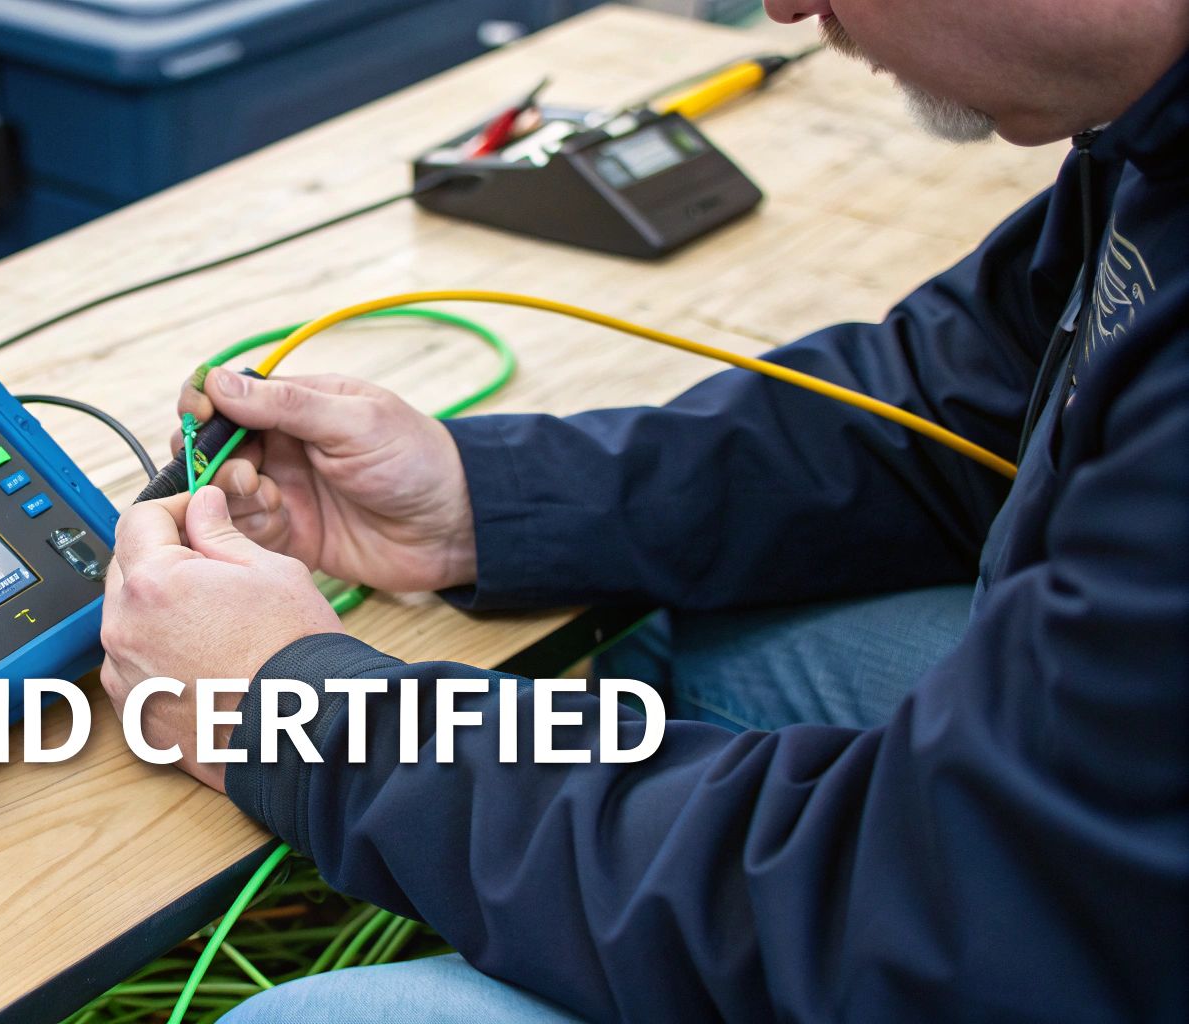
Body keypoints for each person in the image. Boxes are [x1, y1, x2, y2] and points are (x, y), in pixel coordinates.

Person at [97, 0, 1189, 1018]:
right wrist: (484, 505)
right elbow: (963, 395)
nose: (784, 6)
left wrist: (308, 719)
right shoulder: (1152, 143)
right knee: (701, 642)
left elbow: (931, 909)